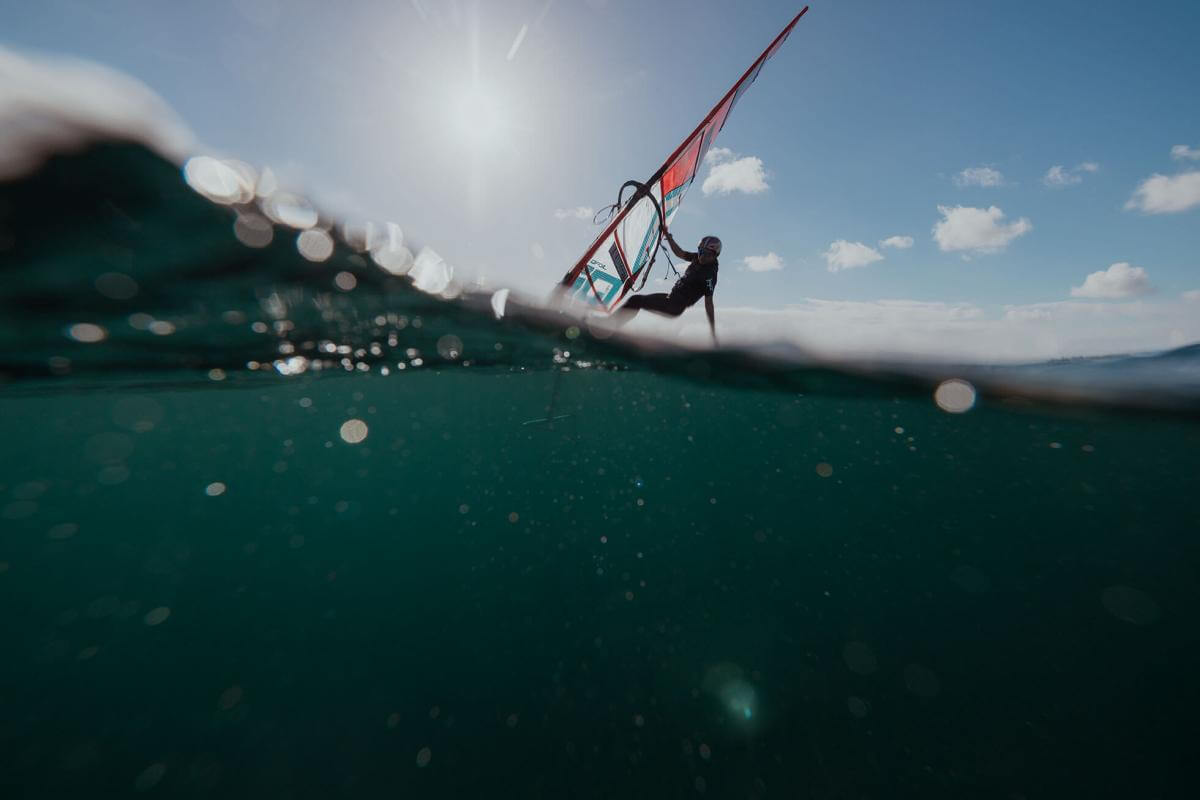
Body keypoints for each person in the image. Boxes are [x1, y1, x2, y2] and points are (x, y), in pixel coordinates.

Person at [614, 233, 720, 344]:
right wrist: (670, 239)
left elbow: (709, 304)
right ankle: (614, 326)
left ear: (715, 255)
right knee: (636, 300)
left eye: (707, 254)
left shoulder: (709, 276)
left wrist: (712, 331)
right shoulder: (697, 258)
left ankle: (611, 325)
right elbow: (680, 253)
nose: (702, 256)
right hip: (670, 298)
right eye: (700, 251)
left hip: (675, 306)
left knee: (636, 300)